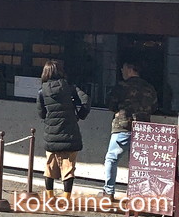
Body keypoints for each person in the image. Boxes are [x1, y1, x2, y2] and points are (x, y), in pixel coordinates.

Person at [101, 61, 158, 199]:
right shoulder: (149, 87)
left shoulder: (121, 86)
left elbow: (109, 104)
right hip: (143, 129)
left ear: (130, 69)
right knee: (139, 162)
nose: (122, 71)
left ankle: (109, 191)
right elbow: (155, 107)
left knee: (111, 158)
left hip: (123, 126)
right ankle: (138, 195)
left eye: (124, 68)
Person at [37, 60, 90, 202]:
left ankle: (50, 197)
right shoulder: (70, 88)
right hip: (70, 133)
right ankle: (66, 199)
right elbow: (86, 100)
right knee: (68, 168)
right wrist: (80, 115)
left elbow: (41, 113)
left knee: (49, 167)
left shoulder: (42, 91)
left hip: (51, 135)